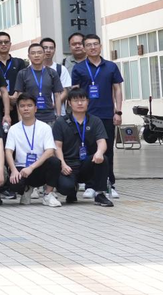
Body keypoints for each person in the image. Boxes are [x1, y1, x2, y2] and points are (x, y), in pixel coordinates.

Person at [70, 34, 123, 199]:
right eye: (89, 45)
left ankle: (109, 184)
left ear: (100, 46)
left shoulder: (111, 66)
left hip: (107, 115)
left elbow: (117, 89)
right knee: (88, 151)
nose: (92, 47)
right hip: (86, 116)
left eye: (95, 44)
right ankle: (90, 185)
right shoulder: (79, 68)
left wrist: (118, 111)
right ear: (84, 48)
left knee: (108, 151)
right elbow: (75, 93)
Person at [52, 88, 114, 207]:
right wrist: (63, 164)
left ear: (88, 102)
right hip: (68, 165)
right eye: (76, 100)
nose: (80, 103)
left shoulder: (95, 121)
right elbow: (57, 146)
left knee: (103, 159)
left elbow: (102, 141)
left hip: (87, 163)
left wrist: (99, 152)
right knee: (65, 188)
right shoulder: (61, 122)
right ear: (69, 103)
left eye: (83, 100)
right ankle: (72, 189)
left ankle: (100, 194)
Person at [5, 94, 62, 207]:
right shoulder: (13, 129)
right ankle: (26, 190)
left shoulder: (45, 127)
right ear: (18, 109)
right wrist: (13, 170)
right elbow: (8, 151)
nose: (26, 108)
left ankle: (48, 194)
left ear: (35, 108)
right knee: (15, 184)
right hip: (21, 167)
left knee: (55, 162)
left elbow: (50, 151)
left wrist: (31, 167)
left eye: (29, 105)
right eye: (22, 106)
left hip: (39, 167)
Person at [14, 43, 64, 126]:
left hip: (49, 116)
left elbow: (57, 95)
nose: (36, 55)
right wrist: (20, 118)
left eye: (39, 53)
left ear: (44, 55)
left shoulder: (52, 73)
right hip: (29, 116)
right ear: (29, 56)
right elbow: (19, 97)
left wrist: (58, 116)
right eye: (33, 53)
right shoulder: (23, 73)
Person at [0, 31, 26, 117]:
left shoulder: (19, 62)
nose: (3, 44)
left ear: (10, 44)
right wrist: (7, 98)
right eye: (0, 42)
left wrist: (15, 97)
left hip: (17, 104)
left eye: (6, 42)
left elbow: (24, 82)